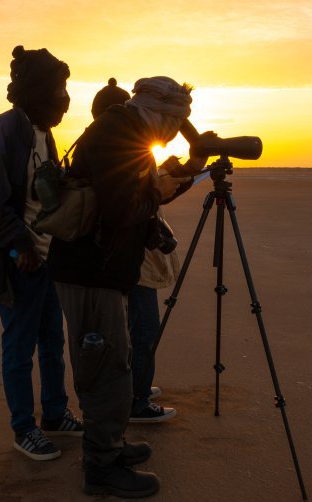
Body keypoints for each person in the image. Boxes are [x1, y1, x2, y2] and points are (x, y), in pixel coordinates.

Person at [47, 76, 203, 498]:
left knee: (113, 365)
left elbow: (132, 199)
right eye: (173, 122)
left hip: (102, 273)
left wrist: (179, 176)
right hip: (90, 274)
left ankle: (109, 447)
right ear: (157, 112)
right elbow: (121, 211)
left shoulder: (125, 130)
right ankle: (101, 467)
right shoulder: (118, 134)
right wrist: (157, 191)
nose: (172, 133)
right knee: (105, 371)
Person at [0, 45, 83, 462]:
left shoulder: (42, 131)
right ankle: (24, 428)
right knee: (19, 345)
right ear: (40, 92)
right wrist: (19, 245)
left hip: (45, 259)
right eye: (58, 89)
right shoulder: (2, 130)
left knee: (52, 340)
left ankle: (56, 416)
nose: (63, 100)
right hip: (19, 262)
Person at [89, 78, 183, 424]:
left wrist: (167, 180)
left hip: (125, 257)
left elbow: (142, 194)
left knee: (132, 329)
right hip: (127, 258)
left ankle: (135, 387)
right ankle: (136, 400)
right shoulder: (118, 144)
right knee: (141, 329)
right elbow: (126, 205)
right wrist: (158, 188)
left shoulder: (117, 141)